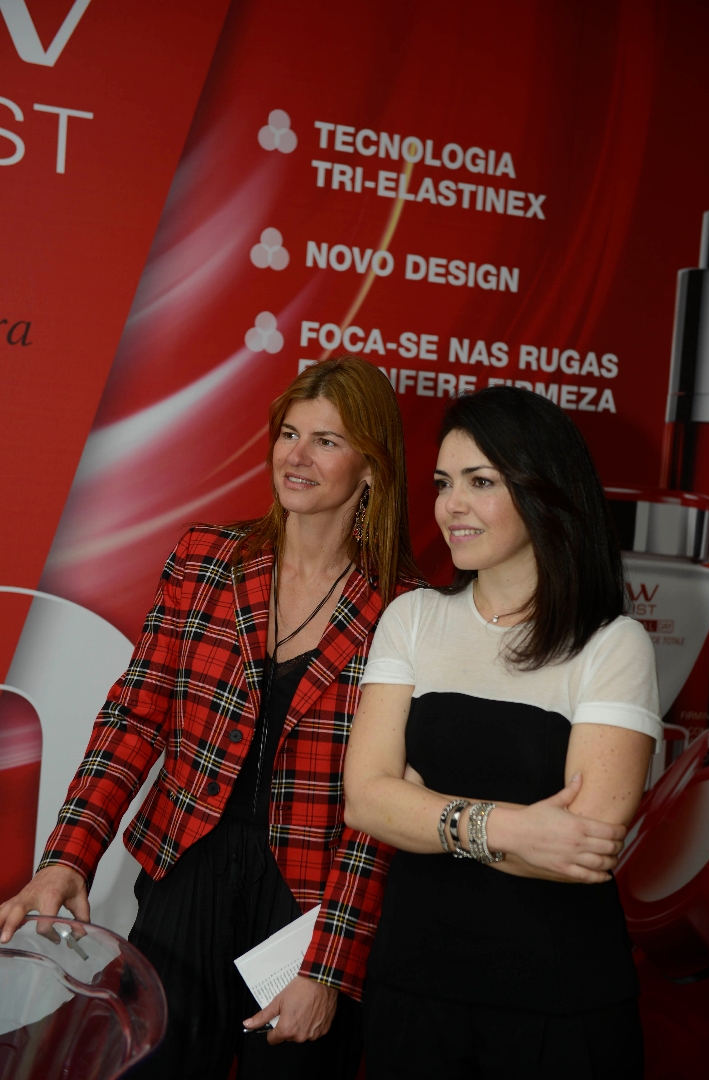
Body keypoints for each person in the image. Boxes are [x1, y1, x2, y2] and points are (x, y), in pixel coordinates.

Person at [0, 356, 421, 1080]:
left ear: (372, 469)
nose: (296, 456)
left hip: (310, 901)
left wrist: (330, 965)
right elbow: (133, 717)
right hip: (185, 869)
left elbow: (379, 812)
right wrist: (68, 857)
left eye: (326, 441)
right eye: (289, 434)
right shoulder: (206, 560)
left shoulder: (405, 611)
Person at [344, 385, 661, 1080]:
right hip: (414, 991)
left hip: (561, 1006)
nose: (451, 505)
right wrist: (513, 828)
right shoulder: (413, 619)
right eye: (443, 483)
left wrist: (424, 810)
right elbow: (365, 800)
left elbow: (581, 848)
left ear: (544, 489)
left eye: (480, 482)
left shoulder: (612, 643)